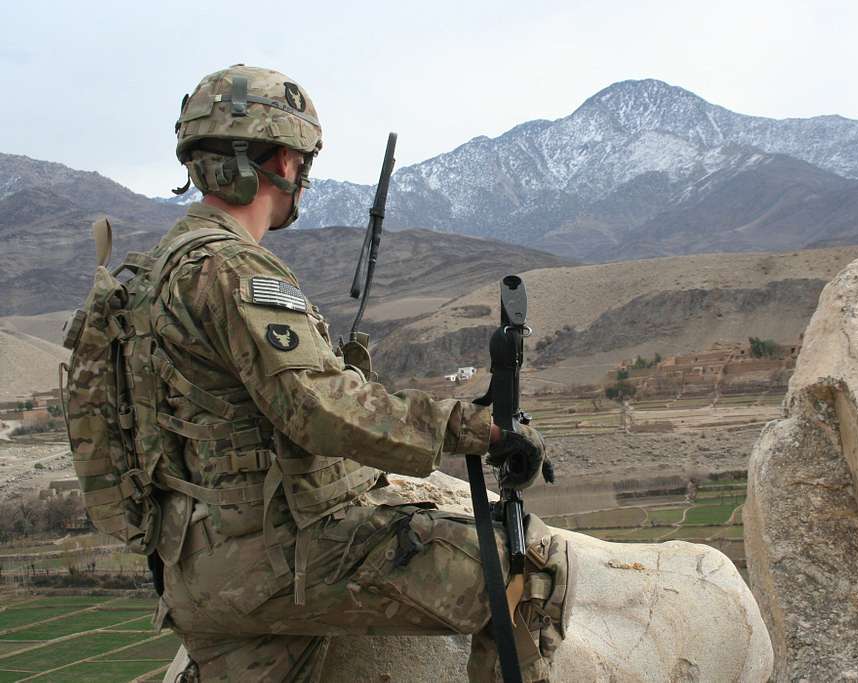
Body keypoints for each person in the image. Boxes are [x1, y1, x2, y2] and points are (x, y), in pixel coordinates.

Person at [147, 65, 574, 681]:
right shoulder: (234, 271)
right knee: (530, 574)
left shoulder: (148, 274)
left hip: (189, 571)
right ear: (286, 162)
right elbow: (320, 408)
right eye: (302, 159)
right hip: (276, 560)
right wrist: (476, 431)